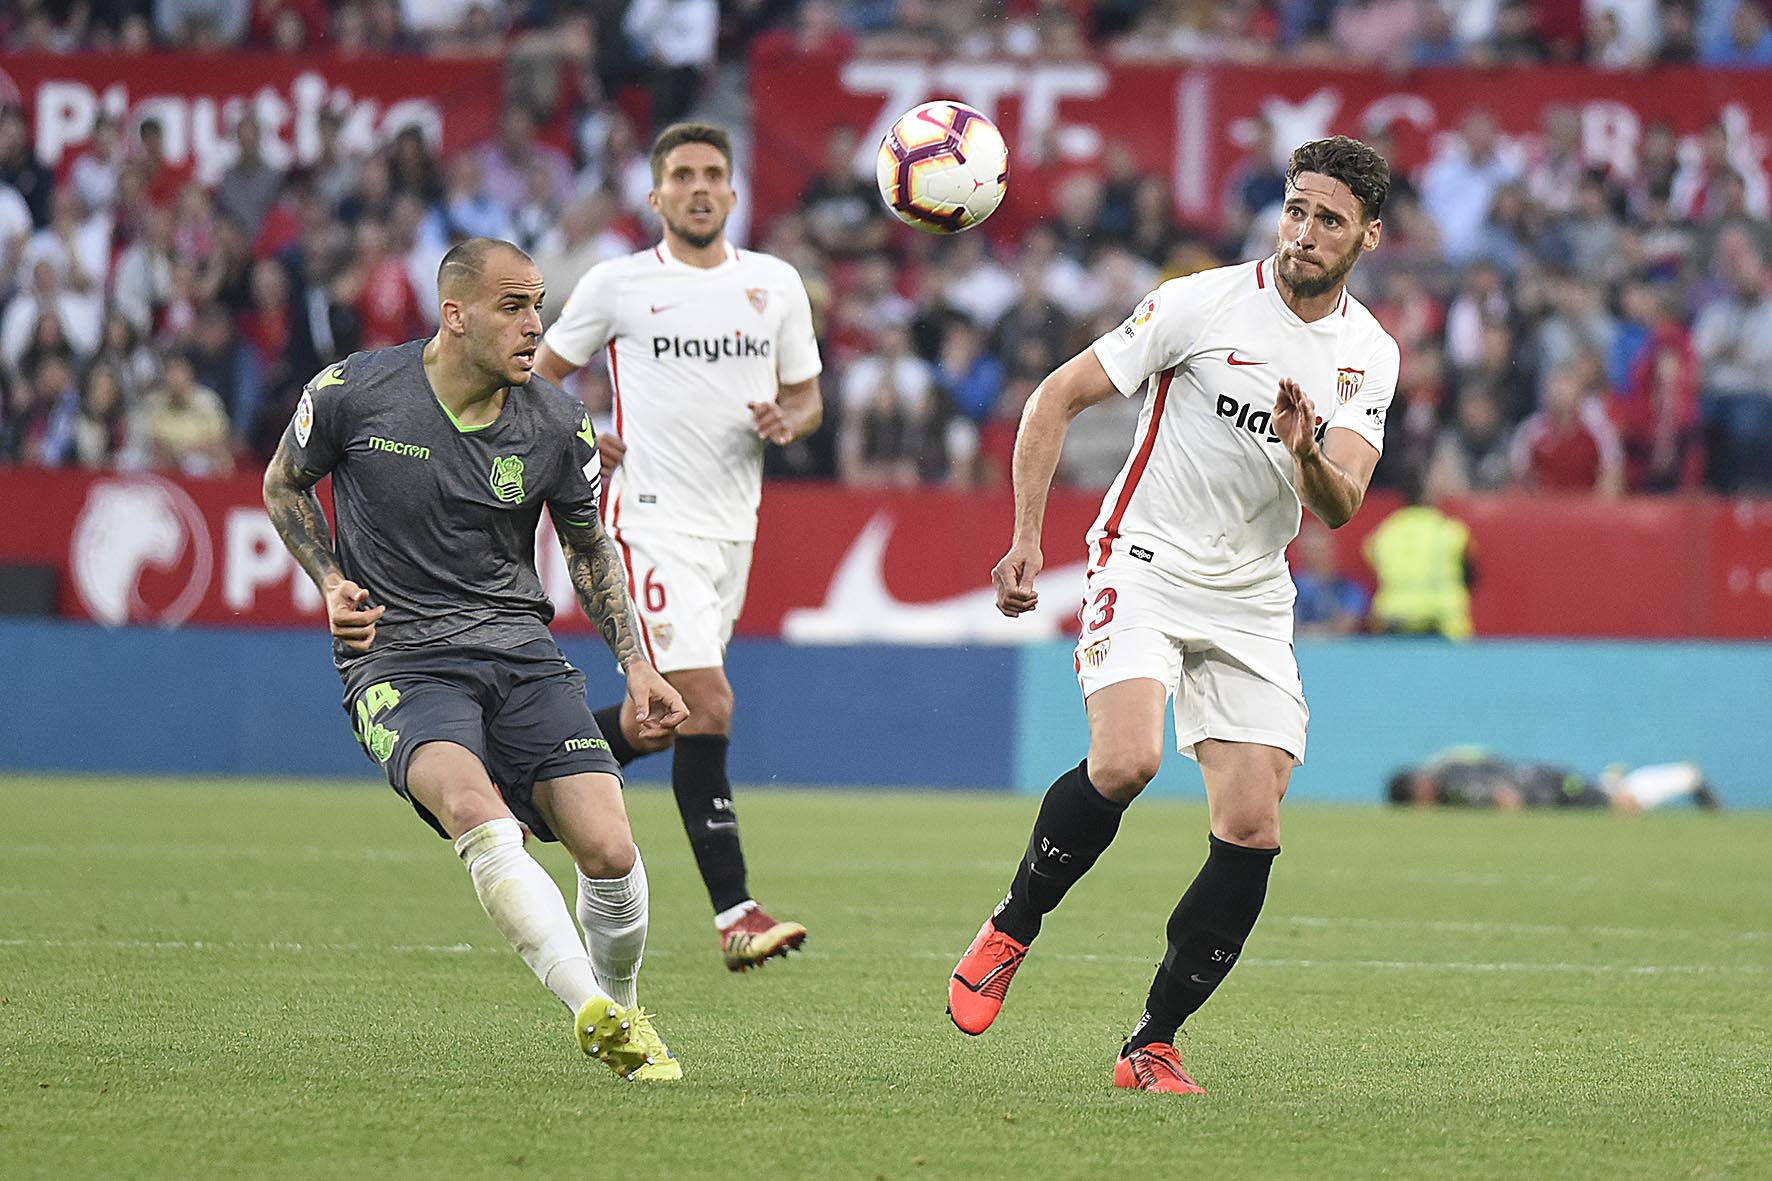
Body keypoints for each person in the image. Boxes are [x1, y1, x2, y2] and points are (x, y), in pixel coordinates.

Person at [946, 137, 1400, 1094]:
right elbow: (1054, 396)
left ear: (1368, 236)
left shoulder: (1368, 353)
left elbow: (1342, 500)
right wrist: (1027, 537)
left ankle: (1152, 1041)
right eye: (1296, 209)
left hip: (1250, 596)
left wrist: (1304, 447)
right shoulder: (1199, 302)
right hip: (1143, 559)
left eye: (1329, 220)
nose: (1304, 233)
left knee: (1252, 826)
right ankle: (1014, 922)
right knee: (1126, 760)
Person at [261, 237, 690, 1082]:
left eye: (539, 305)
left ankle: (622, 1007)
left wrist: (638, 668)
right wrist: (332, 580)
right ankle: (590, 1010)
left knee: (609, 850)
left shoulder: (560, 421)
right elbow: (284, 483)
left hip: (521, 655)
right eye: (515, 306)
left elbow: (589, 548)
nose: (537, 324)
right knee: (476, 809)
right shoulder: (352, 393)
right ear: (454, 315)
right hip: (401, 663)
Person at [535, 124, 824, 972]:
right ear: (655, 196)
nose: (699, 188)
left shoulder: (774, 286)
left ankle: (525, 778)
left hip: (734, 525)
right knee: (707, 702)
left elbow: (807, 397)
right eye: (682, 176)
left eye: (714, 175)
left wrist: (789, 418)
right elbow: (539, 377)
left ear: (733, 194)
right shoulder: (619, 285)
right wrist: (582, 429)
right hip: (644, 522)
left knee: (654, 723)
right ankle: (736, 911)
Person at [1387, 749, 1720, 811]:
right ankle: (1609, 780)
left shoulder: (1453, 787)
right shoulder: (1449, 766)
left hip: (1551, 788)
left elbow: (1507, 801)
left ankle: (1686, 776)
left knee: (1622, 807)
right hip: (1543, 780)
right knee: (1613, 798)